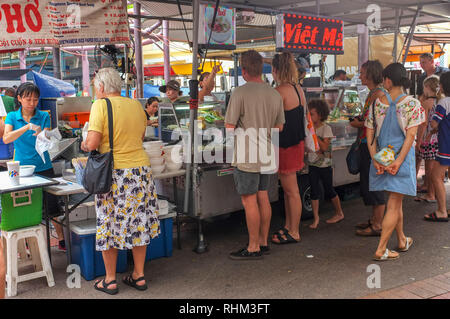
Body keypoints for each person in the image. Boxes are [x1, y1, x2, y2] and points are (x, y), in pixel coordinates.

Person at [81, 68, 160, 294]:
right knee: (139, 221)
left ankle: (110, 279)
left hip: (115, 174)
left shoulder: (100, 105)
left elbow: (93, 142)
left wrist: (85, 144)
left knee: (109, 224)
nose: (96, 91)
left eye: (96, 86)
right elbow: (141, 136)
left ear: (102, 87)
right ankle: (139, 275)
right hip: (141, 171)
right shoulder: (136, 105)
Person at [225, 50, 285, 260]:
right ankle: (263, 241)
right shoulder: (274, 93)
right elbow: (279, 127)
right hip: (267, 153)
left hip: (248, 154)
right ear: (262, 69)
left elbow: (230, 126)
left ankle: (252, 247)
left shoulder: (240, 93)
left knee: (249, 201)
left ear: (243, 70)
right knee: (263, 197)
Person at [366, 63, 425, 261]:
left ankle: (401, 240)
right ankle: (381, 249)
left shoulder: (377, 103)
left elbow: (370, 133)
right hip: (400, 158)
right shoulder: (412, 104)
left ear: (388, 81)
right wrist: (399, 162)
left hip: (382, 157)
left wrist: (375, 158)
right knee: (394, 202)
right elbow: (411, 137)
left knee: (395, 199)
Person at [2, 82, 66, 251]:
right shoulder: (12, 117)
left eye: (35, 100)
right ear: (19, 98)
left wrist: (44, 135)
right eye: (28, 99)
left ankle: (61, 240)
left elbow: (45, 139)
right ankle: (28, 246)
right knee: (25, 205)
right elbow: (7, 138)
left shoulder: (44, 116)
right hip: (21, 169)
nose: (32, 103)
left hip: (43, 165)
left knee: (52, 206)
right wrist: (26, 126)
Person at [270, 52, 304, 244]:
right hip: (297, 142)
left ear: (275, 70)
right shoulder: (298, 88)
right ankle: (290, 226)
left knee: (291, 191)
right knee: (290, 189)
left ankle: (295, 231)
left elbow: (275, 123)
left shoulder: (279, 91)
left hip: (286, 145)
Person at [351, 60, 386, 237]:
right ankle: (374, 219)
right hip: (369, 144)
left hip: (373, 145)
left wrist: (357, 122)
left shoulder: (378, 94)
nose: (360, 75)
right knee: (370, 183)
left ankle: (378, 224)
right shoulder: (374, 93)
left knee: (375, 184)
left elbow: (373, 122)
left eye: (362, 72)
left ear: (371, 74)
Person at [307, 99, 345, 228]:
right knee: (314, 190)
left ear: (320, 115)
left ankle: (339, 212)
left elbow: (323, 147)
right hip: (312, 164)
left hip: (325, 165)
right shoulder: (309, 128)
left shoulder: (326, 129)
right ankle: (316, 218)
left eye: (312, 114)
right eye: (309, 114)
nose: (309, 117)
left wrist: (313, 135)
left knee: (329, 189)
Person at [424, 71, 450, 222]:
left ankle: (441, 211)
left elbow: (434, 123)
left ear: (443, 85)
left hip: (446, 145)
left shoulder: (444, 102)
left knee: (435, 176)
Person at [415, 76, 442, 203]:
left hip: (428, 139)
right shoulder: (440, 102)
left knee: (430, 169)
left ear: (427, 87)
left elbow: (423, 124)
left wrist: (418, 141)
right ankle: (433, 193)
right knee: (434, 169)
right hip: (439, 139)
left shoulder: (426, 103)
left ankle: (431, 194)